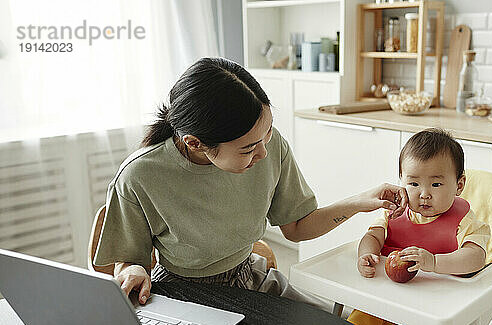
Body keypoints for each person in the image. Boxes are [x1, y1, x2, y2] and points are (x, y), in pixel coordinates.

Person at [93, 57, 408, 311]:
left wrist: (360, 202)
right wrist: (132, 271)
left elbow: (297, 226)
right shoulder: (140, 176)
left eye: (267, 133)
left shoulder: (269, 147)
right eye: (247, 148)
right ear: (195, 143)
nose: (263, 152)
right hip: (180, 295)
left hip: (252, 280)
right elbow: (129, 260)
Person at [346, 128, 491, 325]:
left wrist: (434, 262)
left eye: (436, 184)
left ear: (459, 185)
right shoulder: (395, 214)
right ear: (401, 181)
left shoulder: (466, 222)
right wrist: (365, 254)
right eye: (413, 184)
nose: (424, 194)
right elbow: (373, 236)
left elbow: (476, 256)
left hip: (434, 309)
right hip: (388, 300)